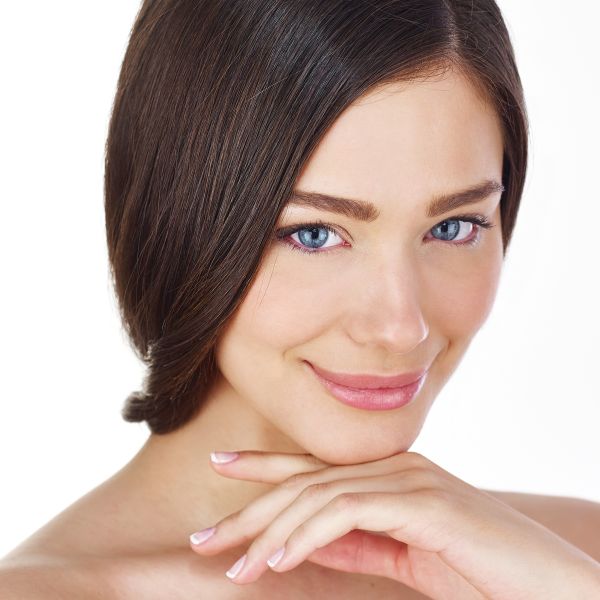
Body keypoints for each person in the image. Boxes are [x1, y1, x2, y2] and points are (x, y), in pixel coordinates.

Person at [1, 0, 599, 598]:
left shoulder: (568, 557)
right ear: (179, 224)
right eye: (313, 235)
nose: (400, 327)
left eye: (453, 227)